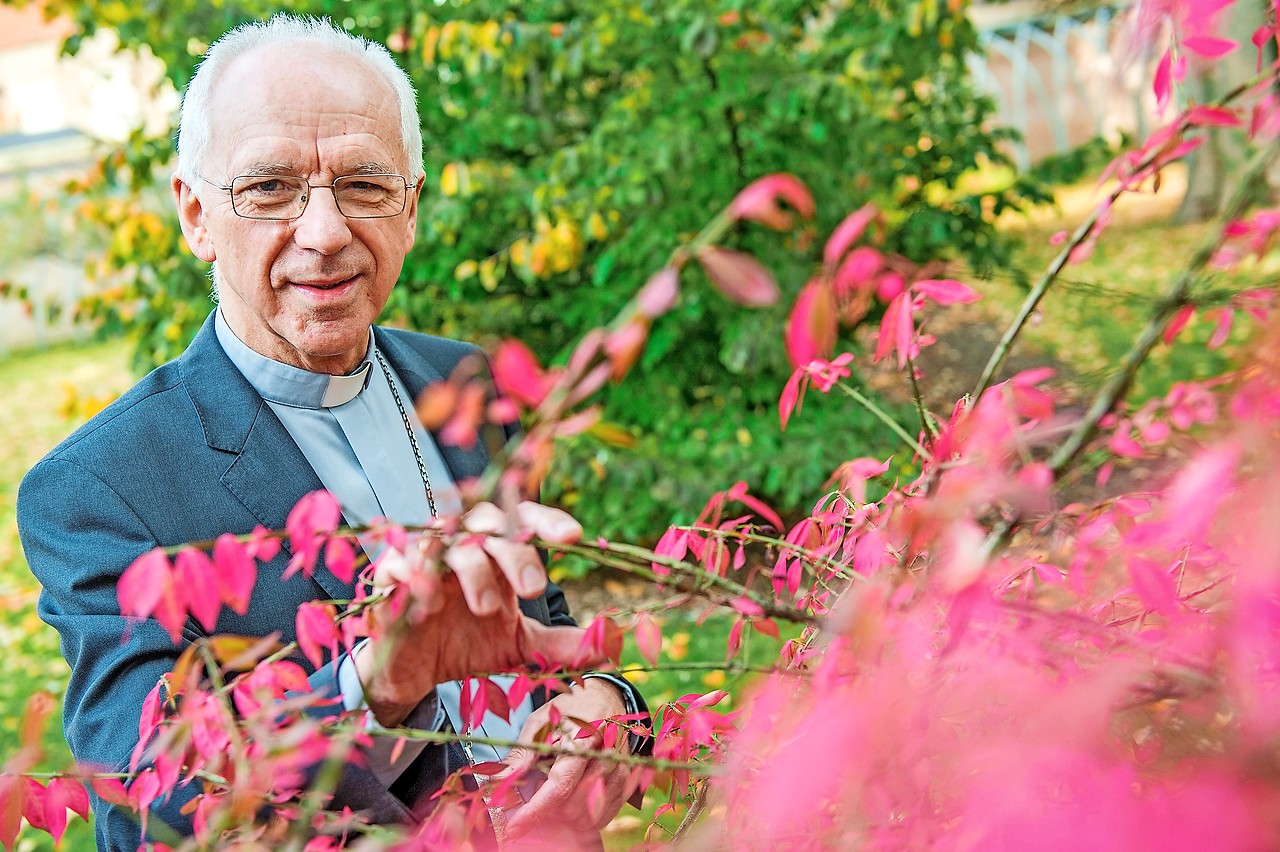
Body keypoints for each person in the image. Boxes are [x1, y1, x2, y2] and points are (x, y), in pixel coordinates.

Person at [17, 14, 647, 850]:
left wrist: (609, 704)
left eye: (364, 186)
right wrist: (371, 688)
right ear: (197, 215)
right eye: (269, 188)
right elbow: (157, 799)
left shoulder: (461, 381)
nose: (324, 233)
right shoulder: (102, 488)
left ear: (411, 207)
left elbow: (535, 623)